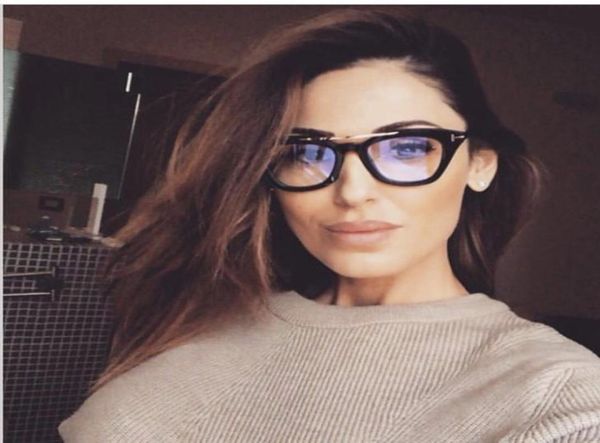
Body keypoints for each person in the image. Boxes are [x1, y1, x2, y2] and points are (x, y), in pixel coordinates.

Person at [59, 9, 600, 442]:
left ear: (479, 165)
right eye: (307, 153)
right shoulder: (203, 310)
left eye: (406, 148)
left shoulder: (559, 397)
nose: (352, 191)